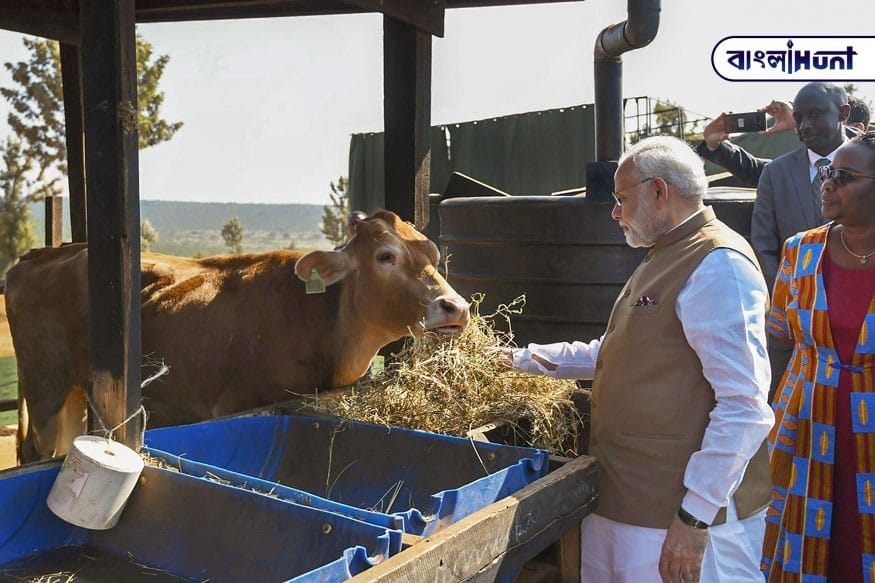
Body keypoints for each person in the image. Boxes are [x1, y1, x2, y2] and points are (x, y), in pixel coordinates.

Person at [496, 136, 774, 582]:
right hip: (630, 503)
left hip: (676, 520)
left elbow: (745, 406)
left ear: (659, 192)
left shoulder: (717, 265)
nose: (615, 211)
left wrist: (695, 518)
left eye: (622, 198)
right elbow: (617, 353)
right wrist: (516, 360)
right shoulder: (665, 255)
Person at [762, 131, 875, 581]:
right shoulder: (800, 251)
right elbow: (780, 335)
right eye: (828, 173)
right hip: (807, 426)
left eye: (844, 176)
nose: (828, 183)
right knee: (805, 550)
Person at [695, 100, 795, 187]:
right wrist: (714, 145)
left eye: (811, 116)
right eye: (802, 117)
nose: (807, 125)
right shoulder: (797, 168)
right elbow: (754, 170)